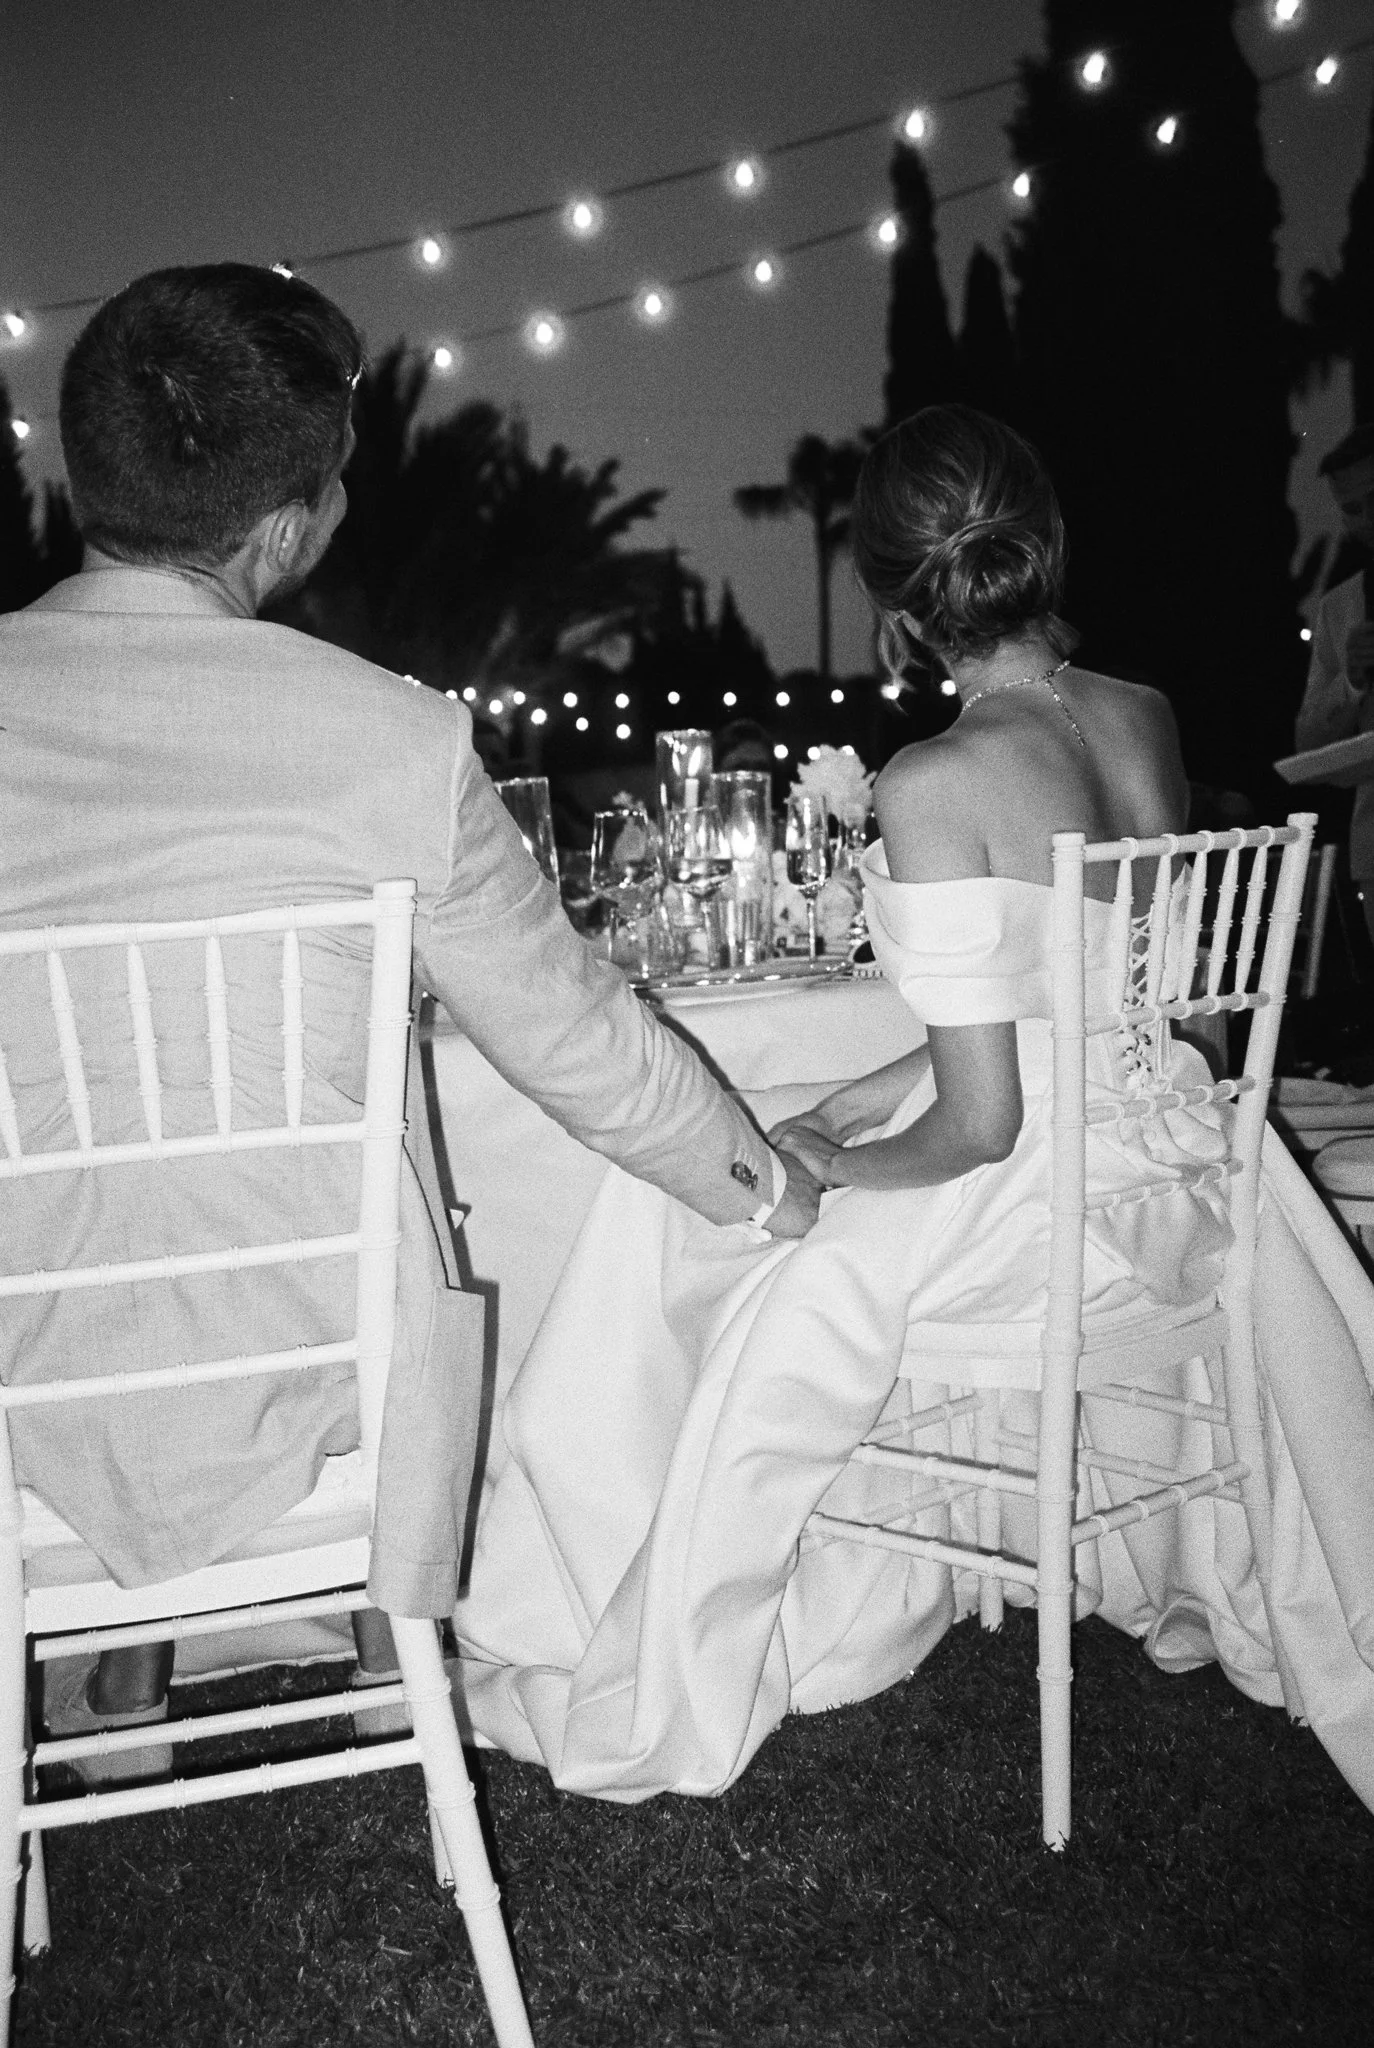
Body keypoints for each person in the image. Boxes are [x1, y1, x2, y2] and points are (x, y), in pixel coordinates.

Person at [0, 265, 819, 1764]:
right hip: (318, 1372)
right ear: (281, 529)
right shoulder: (387, 738)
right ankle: (409, 1618)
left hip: (24, 1374)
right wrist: (762, 1186)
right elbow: (577, 1042)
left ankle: (120, 1654)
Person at [451, 406, 1253, 1797]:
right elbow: (1076, 1013)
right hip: (1165, 1152)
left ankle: (632, 1599)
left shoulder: (936, 781)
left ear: (895, 606)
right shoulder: (1141, 714)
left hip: (1042, 1195)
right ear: (1044, 541)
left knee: (730, 1238)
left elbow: (982, 1126)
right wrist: (835, 1114)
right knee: (775, 1145)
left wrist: (822, 1172)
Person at [1294, 423, 1374, 945]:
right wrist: (1351, 680)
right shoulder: (1342, 607)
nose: (1367, 521)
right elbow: (1308, 744)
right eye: (1352, 509)